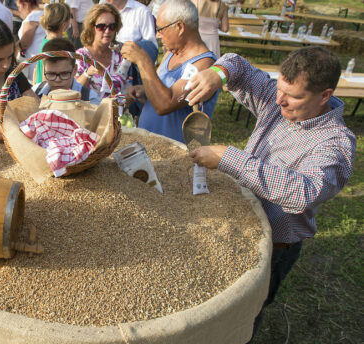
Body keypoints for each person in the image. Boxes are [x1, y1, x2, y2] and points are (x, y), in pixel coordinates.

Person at [186, 47, 356, 341]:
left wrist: (230, 158)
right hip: (237, 228)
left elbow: (303, 192)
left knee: (245, 314)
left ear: (324, 96)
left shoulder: (336, 144)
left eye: (293, 97)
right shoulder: (279, 98)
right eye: (279, 89)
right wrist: (217, 73)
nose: (279, 101)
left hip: (274, 247)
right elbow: (237, 63)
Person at [121, 0, 218, 143]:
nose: (158, 35)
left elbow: (165, 104)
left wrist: (143, 61)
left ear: (179, 27)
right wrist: (144, 90)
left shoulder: (203, 65)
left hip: (175, 155)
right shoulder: (172, 53)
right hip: (150, 146)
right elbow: (162, 87)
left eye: (161, 29)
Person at [75, 4, 128, 98]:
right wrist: (87, 73)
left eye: (112, 26)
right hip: (88, 111)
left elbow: (125, 89)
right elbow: (74, 90)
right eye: (101, 26)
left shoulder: (119, 57)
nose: (107, 31)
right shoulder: (81, 56)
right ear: (92, 28)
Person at [32, 38, 102, 105]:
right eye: (51, 74)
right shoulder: (35, 92)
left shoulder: (90, 99)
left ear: (74, 70)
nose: (57, 80)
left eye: (64, 73)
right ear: (44, 70)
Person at [34, 2, 72, 84]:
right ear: (64, 25)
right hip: (49, 92)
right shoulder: (54, 46)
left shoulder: (46, 40)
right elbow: (46, 76)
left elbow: (36, 69)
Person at [16, 0, 44, 81]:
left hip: (34, 61)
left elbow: (24, 43)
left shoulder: (32, 17)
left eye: (19, 7)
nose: (19, 10)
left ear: (26, 4)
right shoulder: (42, 14)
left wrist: (12, 49)